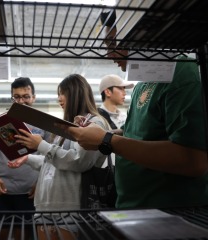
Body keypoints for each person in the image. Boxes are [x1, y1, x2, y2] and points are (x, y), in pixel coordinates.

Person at [56, 11, 208, 209]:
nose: (110, 55)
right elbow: (135, 133)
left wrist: (106, 140)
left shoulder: (180, 71)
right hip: (135, 207)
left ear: (138, 35)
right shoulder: (142, 84)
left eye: (113, 45)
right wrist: (101, 134)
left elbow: (193, 160)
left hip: (171, 212)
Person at [8, 74, 110, 240]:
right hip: (46, 204)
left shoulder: (94, 123)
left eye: (61, 93)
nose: (58, 99)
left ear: (74, 93)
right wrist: (28, 159)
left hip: (70, 206)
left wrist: (40, 145)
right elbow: (54, 162)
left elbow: (80, 161)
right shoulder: (68, 125)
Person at [0, 77, 50, 239]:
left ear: (34, 97)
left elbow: (50, 157)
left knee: (25, 234)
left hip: (30, 192)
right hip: (1, 189)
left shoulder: (45, 123)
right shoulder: (0, 122)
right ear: (12, 98)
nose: (21, 101)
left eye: (26, 96)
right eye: (17, 97)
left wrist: (39, 183)